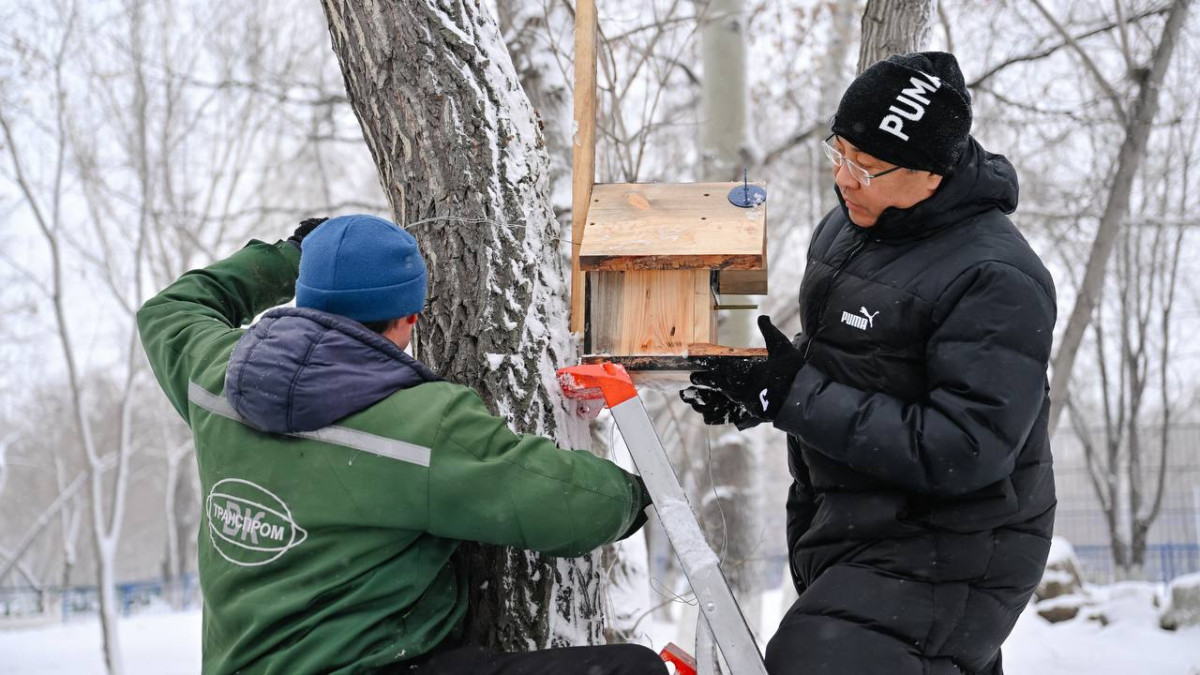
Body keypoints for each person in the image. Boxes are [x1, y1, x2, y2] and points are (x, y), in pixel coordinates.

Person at [138, 214, 665, 674]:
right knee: (630, 668)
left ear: (306, 292)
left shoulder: (216, 376)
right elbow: (572, 507)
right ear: (411, 316)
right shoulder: (421, 426)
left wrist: (291, 254)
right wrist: (641, 495)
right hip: (373, 667)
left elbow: (170, 310)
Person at [681, 52, 1056, 674]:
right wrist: (764, 384)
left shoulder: (997, 278)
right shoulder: (848, 227)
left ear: (931, 170)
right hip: (851, 520)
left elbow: (968, 446)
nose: (845, 178)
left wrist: (793, 396)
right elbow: (864, 355)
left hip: (954, 546)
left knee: (814, 660)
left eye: (868, 165)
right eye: (839, 153)